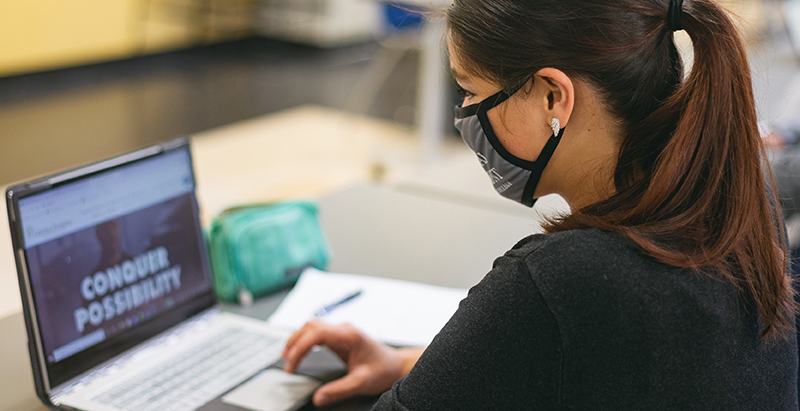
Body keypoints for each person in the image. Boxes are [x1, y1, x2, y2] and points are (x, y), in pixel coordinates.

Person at [282, 0, 799, 409]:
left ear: (553, 96)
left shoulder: (562, 281)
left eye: (470, 90)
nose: (464, 114)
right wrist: (405, 365)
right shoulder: (740, 209)